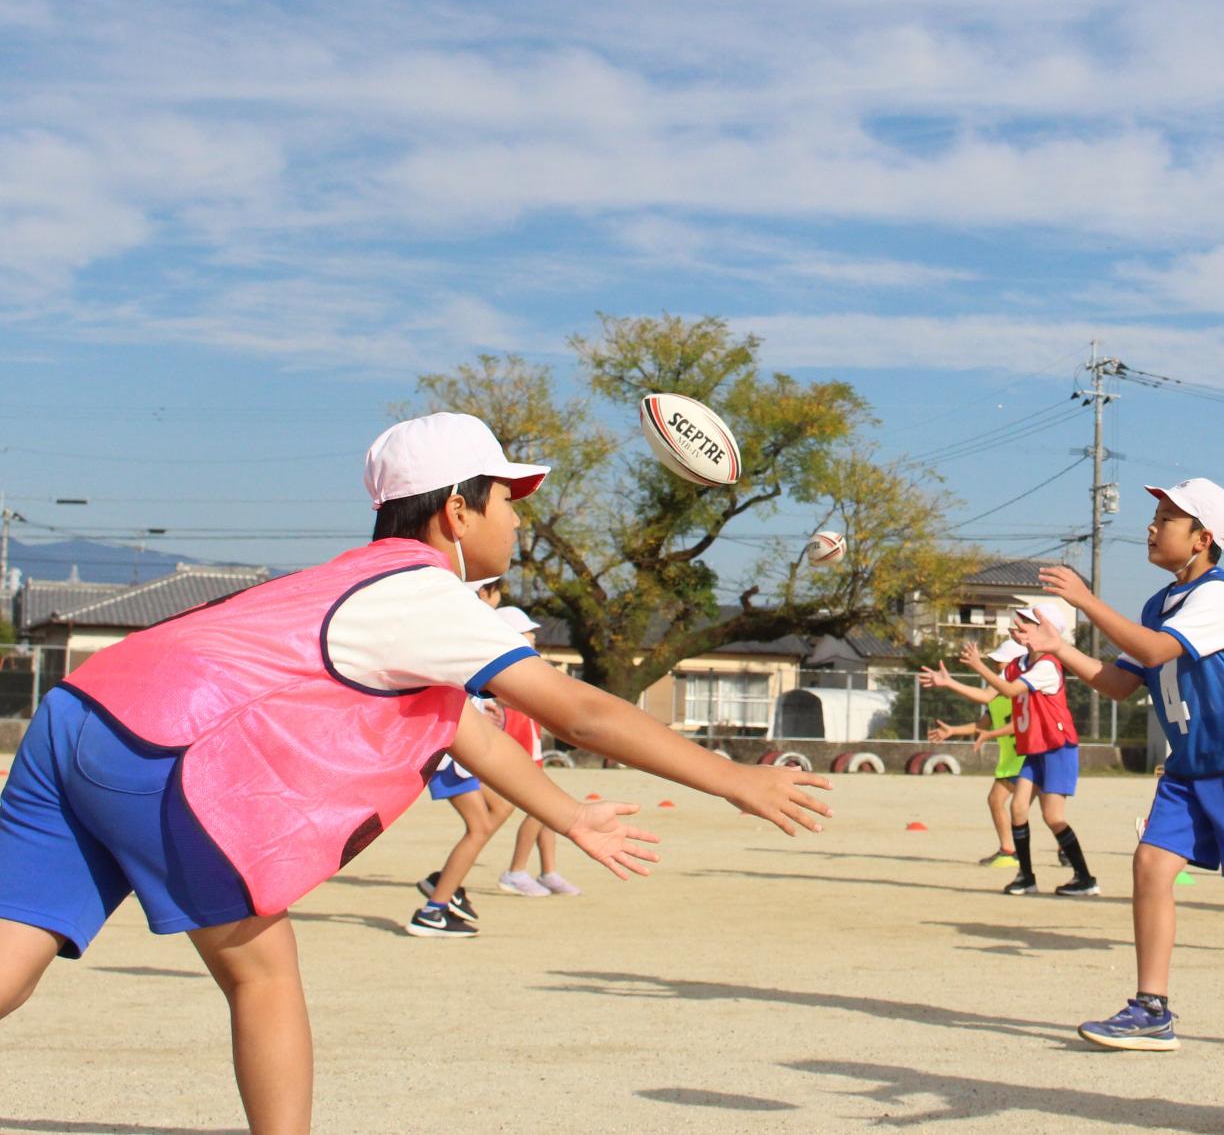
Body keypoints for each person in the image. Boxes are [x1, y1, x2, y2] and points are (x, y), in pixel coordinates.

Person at [0, 411, 831, 1134]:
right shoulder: (423, 597)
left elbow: (474, 736)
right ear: (457, 511)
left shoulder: (348, 583)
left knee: (11, 954)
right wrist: (736, 780)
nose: (517, 520)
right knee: (262, 974)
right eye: (508, 500)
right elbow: (579, 712)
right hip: (166, 748)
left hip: (77, 714)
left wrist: (571, 818)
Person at [1021, 478, 1224, 1056]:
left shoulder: (1221, 594)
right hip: (1191, 766)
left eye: (1167, 519)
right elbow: (1122, 683)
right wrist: (1057, 647)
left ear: (1203, 539)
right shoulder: (1159, 604)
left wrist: (1085, 601)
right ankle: (1151, 1009)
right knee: (1150, 866)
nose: (1152, 527)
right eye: (1156, 516)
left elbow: (1153, 654)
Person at [409, 582, 518, 936]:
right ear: (485, 594)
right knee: (480, 826)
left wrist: (482, 707)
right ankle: (433, 911)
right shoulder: (462, 624)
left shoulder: (458, 626)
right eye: (494, 593)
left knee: (502, 808)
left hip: (457, 749)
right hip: (447, 751)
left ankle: (445, 881)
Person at [955, 624, 1097, 898]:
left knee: (1052, 816)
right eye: (1016, 628)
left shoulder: (1046, 665)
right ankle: (1026, 876)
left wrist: (978, 665)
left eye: (1024, 627)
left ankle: (1085, 877)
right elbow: (988, 695)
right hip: (1035, 748)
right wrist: (948, 681)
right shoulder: (1019, 663)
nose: (1017, 632)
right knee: (1018, 808)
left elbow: (1009, 691)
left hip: (1057, 747)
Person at [490, 606, 581, 899]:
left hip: (529, 738)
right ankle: (516, 871)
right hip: (516, 738)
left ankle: (549, 871)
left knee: (544, 807)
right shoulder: (504, 661)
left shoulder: (526, 660)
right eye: (527, 631)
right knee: (540, 807)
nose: (533, 636)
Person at [918, 635, 1030, 868]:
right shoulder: (998, 696)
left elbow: (1022, 725)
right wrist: (953, 731)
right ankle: (1015, 850)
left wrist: (990, 735)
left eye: (1001, 662)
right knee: (1012, 805)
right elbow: (982, 725)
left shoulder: (1021, 691)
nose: (997, 667)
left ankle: (1012, 851)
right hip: (1011, 760)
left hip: (1025, 758)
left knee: (1006, 803)